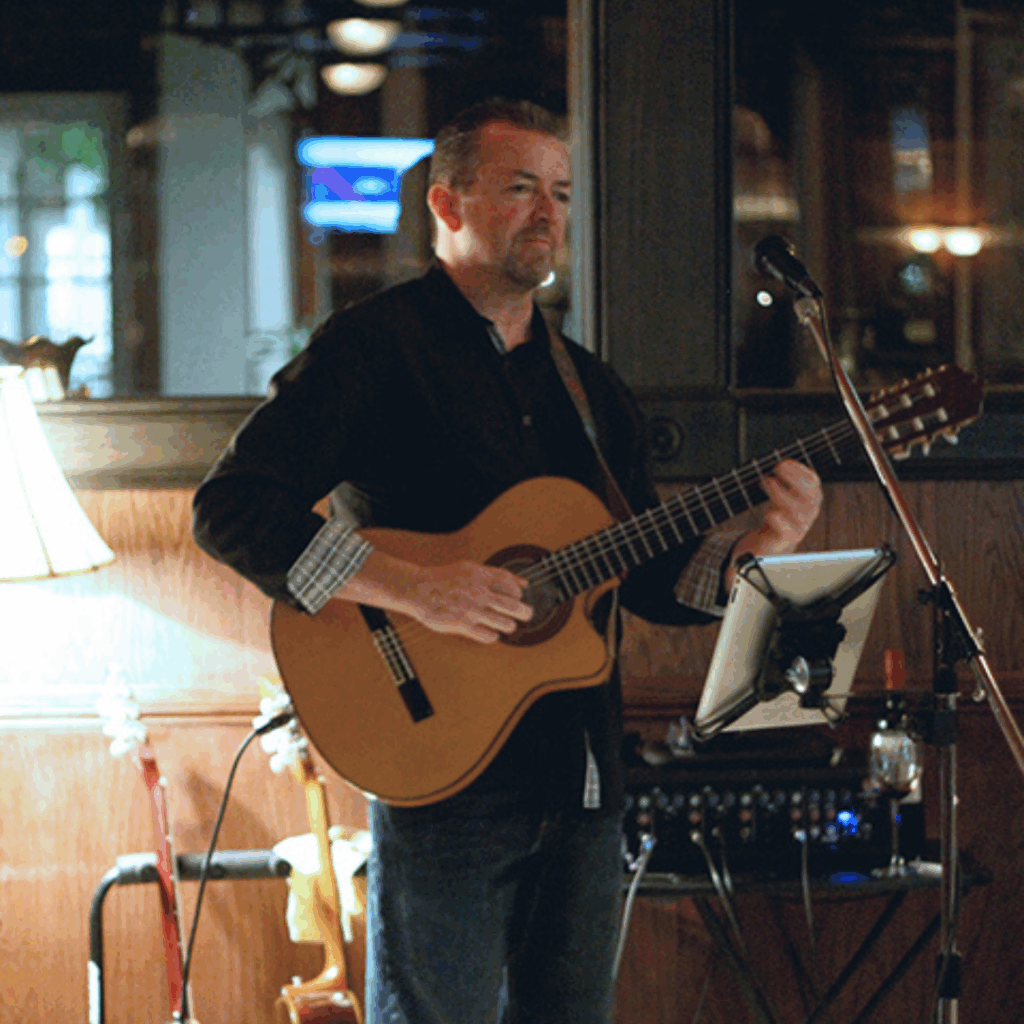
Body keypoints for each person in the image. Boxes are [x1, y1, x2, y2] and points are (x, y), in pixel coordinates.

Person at [192, 98, 822, 1024]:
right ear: (447, 205)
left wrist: (751, 554)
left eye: (560, 193)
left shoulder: (587, 385)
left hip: (582, 773)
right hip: (436, 767)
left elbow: (643, 575)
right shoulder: (374, 350)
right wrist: (416, 589)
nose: (548, 214)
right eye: (522, 188)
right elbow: (231, 508)